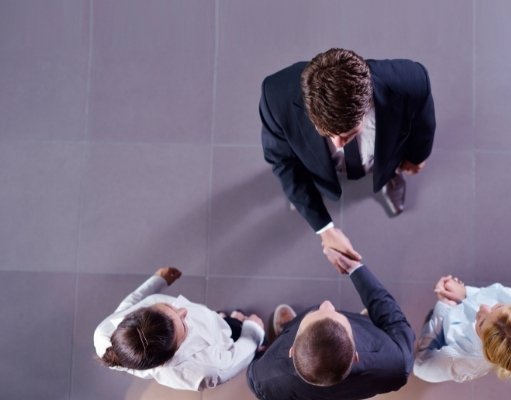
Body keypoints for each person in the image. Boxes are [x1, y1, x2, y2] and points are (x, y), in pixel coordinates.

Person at [260, 48, 436, 267]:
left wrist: (418, 156)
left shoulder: (410, 80)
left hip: (385, 156)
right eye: (327, 134)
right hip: (317, 167)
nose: (337, 145)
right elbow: (282, 161)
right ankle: (311, 194)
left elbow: (424, 121)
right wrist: (324, 229)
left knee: (390, 169)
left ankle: (390, 178)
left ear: (366, 104)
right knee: (304, 186)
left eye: (348, 135)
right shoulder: (275, 94)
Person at [246, 249, 415, 400]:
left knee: (285, 336)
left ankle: (286, 329)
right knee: (368, 325)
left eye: (317, 312)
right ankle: (366, 322)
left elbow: (253, 369)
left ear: (292, 350)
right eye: (335, 313)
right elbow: (395, 321)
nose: (326, 304)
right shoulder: (396, 364)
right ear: (355, 355)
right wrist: (354, 268)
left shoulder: (264, 379)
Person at [94, 267, 265, 391]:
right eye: (183, 324)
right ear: (169, 357)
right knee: (239, 336)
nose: (184, 310)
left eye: (168, 306)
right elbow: (232, 362)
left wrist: (157, 281)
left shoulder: (104, 334)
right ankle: (253, 342)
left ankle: (224, 320)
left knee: (220, 321)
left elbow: (129, 305)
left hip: (211, 324)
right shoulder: (202, 369)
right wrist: (253, 332)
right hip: (222, 344)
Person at [413, 275, 511, 383]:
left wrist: (443, 309)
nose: (483, 307)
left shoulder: (461, 359)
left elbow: (421, 367)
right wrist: (465, 293)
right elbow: (496, 292)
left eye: (480, 323)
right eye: (498, 306)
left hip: (443, 327)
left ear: (487, 349)